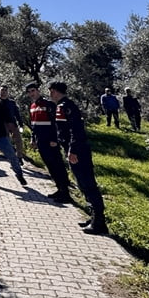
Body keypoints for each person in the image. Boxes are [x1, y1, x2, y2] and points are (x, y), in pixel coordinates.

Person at [49, 82, 108, 234]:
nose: (49, 94)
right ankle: (93, 216)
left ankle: (99, 222)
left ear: (54, 91)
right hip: (71, 149)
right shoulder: (61, 106)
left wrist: (73, 150)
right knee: (82, 184)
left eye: (50, 91)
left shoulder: (67, 106)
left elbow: (76, 130)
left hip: (78, 151)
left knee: (88, 184)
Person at [26, 82, 72, 203]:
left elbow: (56, 123)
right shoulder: (32, 106)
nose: (32, 94)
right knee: (50, 166)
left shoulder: (49, 104)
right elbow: (33, 125)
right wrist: (33, 139)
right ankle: (59, 189)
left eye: (33, 91)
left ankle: (65, 192)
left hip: (50, 141)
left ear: (38, 91)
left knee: (57, 165)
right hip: (40, 141)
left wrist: (54, 139)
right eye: (29, 92)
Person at [0, 85, 27, 162]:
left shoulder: (11, 102)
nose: (3, 92)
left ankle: (19, 157)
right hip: (2, 124)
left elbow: (17, 113)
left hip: (12, 123)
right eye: (2, 90)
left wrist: (21, 124)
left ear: (8, 92)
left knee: (18, 140)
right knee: (6, 141)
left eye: (5, 90)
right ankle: (9, 156)